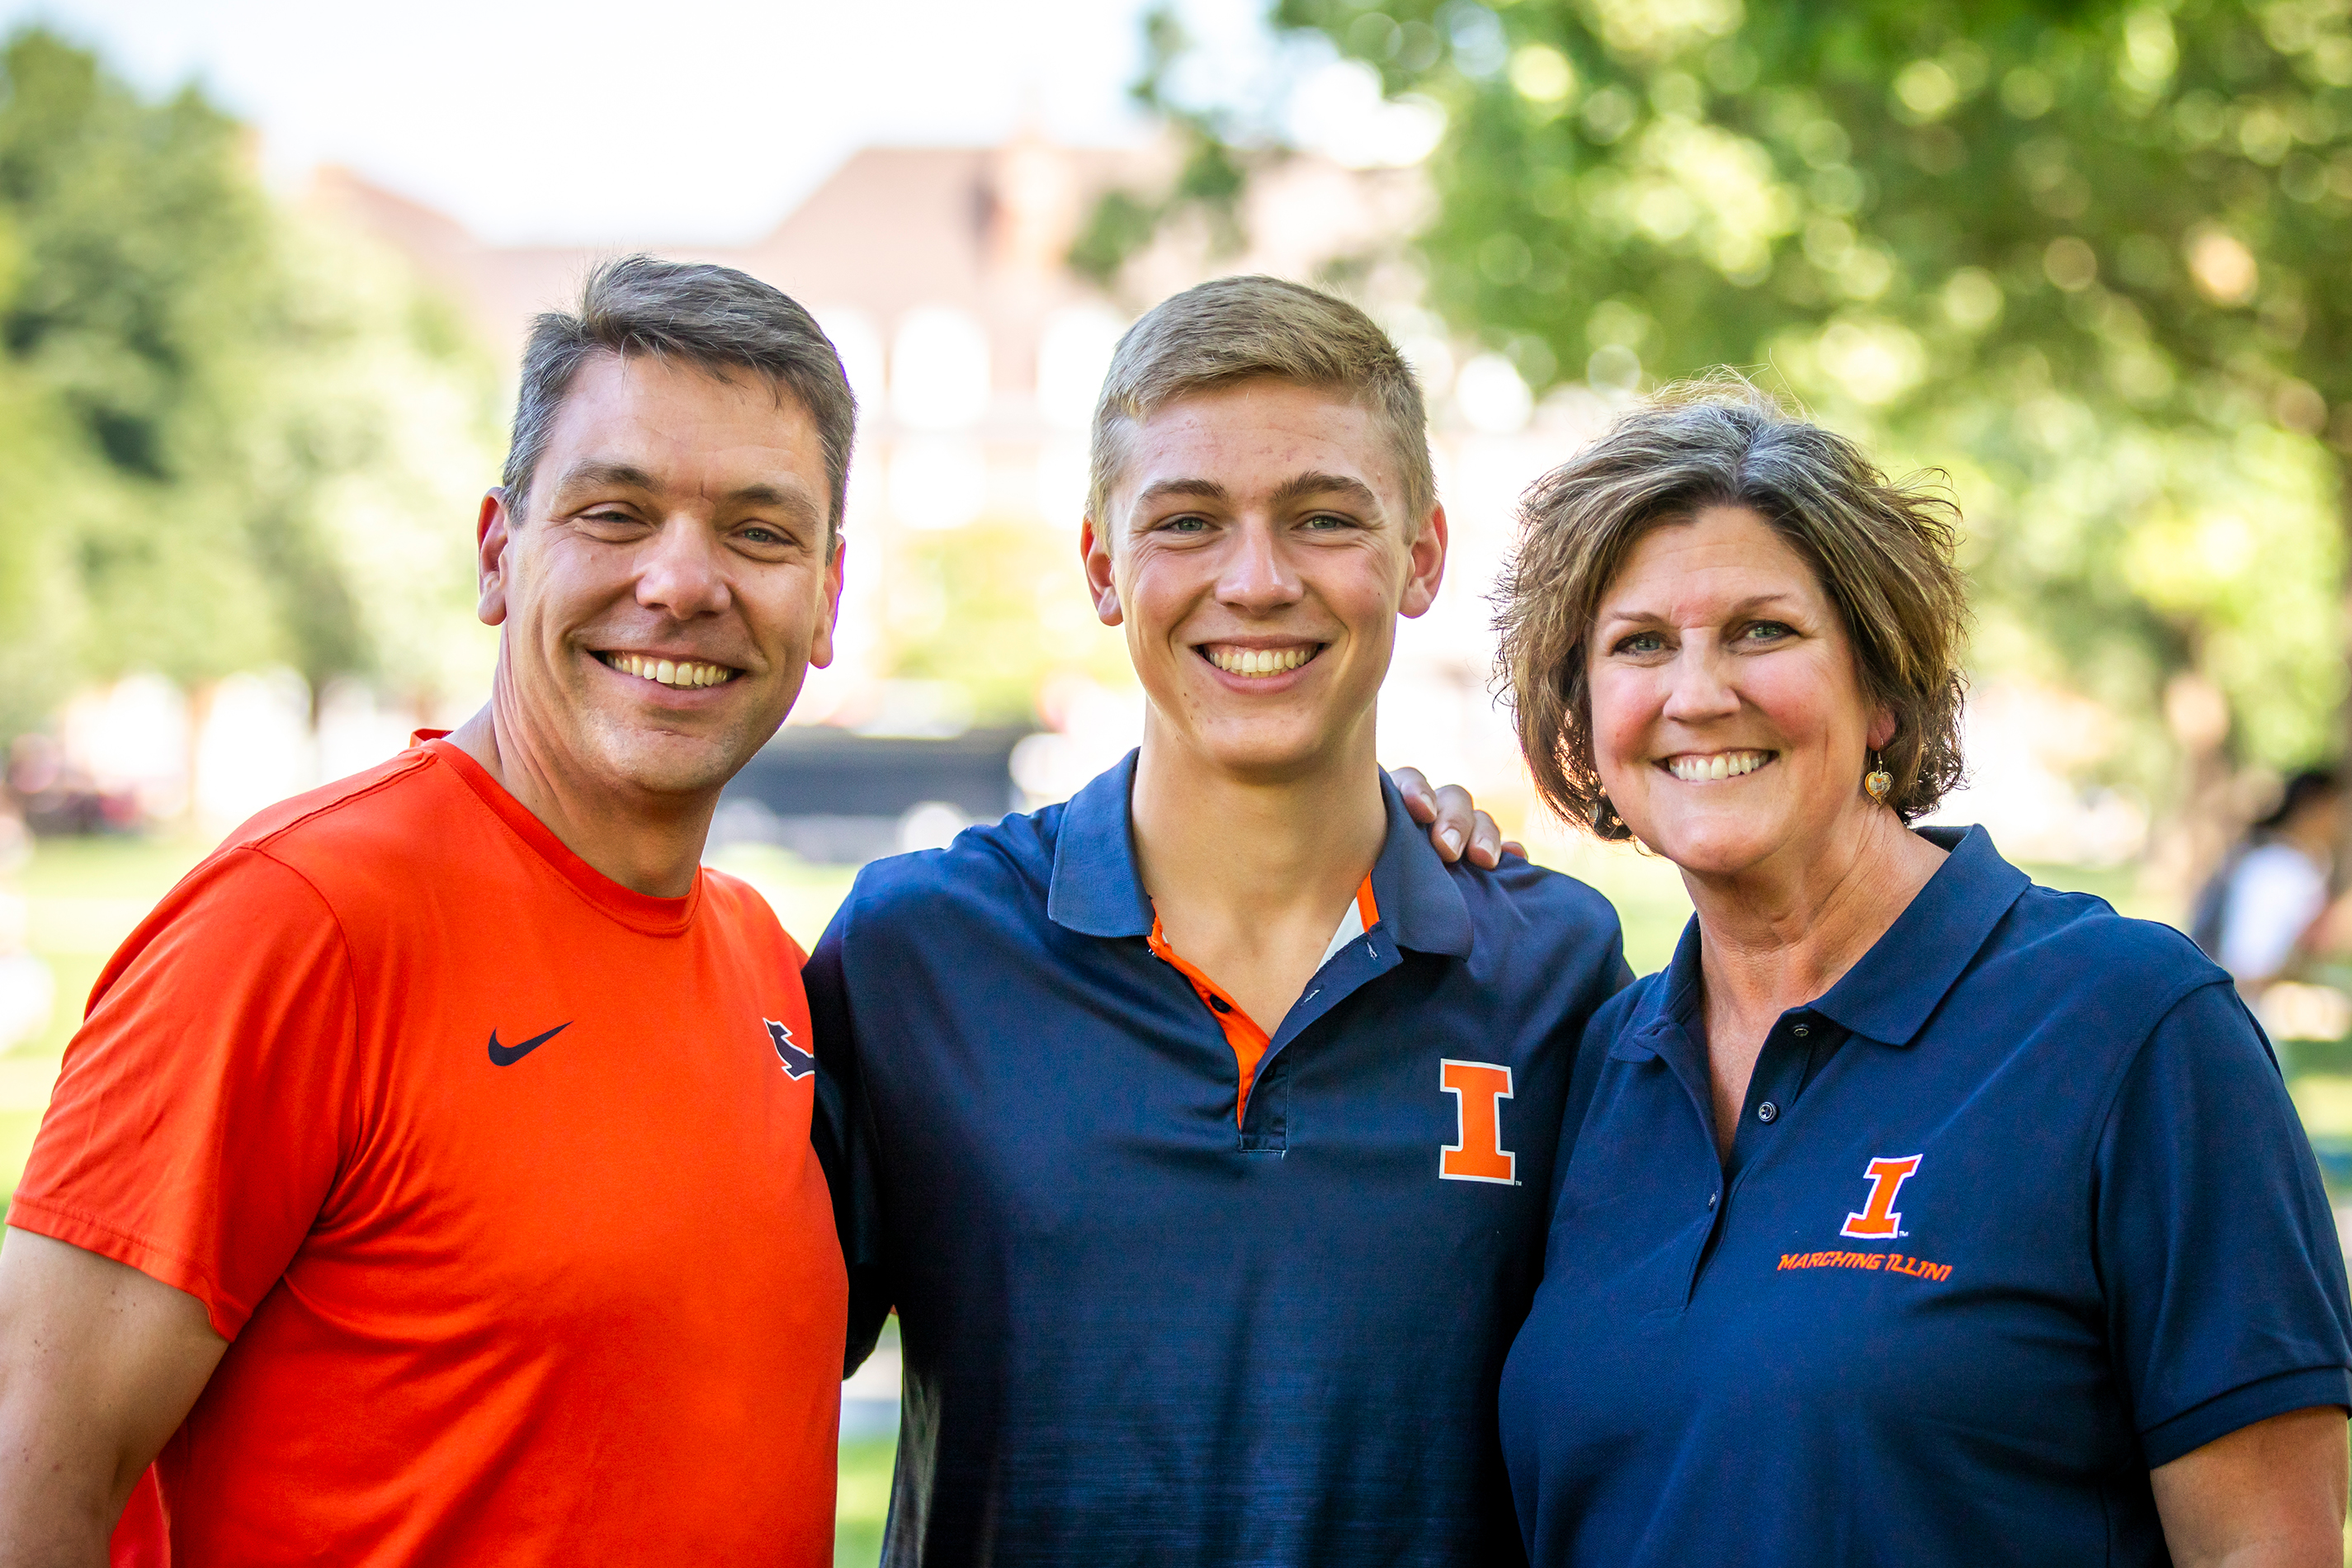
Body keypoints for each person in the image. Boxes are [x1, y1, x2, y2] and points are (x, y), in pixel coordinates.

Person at [0, 257, 859, 1565]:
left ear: (827, 599)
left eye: (758, 530)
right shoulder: (299, 923)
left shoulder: (767, 966)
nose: (684, 584)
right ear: (499, 553)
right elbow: (30, 1455)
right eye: (616, 512)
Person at [806, 276, 1628, 1566]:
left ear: (1419, 558)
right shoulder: (916, 950)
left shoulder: (1558, 972)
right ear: (1101, 566)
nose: (1255, 580)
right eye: (1187, 521)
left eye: (1321, 518)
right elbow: (699, 1362)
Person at [1489, 381, 2352, 1567]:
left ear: (1882, 692)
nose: (1697, 694)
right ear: (1582, 720)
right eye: (1639, 644)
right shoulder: (1597, 1065)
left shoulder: (2129, 1027)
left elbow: (2263, 1550)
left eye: (1763, 631)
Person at [2191, 767, 2343, 989]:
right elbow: (2249, 971)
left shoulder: (2301, 865)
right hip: (2254, 1015)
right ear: (2315, 808)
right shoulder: (2275, 869)